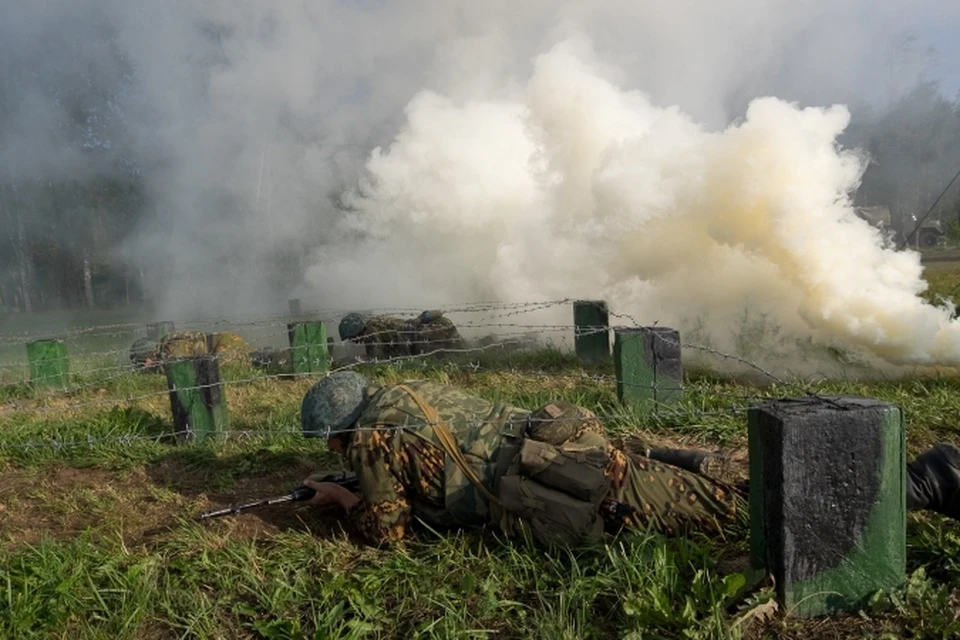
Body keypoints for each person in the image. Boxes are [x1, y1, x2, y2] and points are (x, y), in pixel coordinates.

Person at [298, 371, 960, 548]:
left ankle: (924, 483)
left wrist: (345, 498)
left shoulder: (370, 441)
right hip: (573, 448)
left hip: (575, 484)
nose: (339, 453)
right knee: (700, 470)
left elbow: (386, 532)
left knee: (744, 515)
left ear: (342, 430)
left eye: (334, 443)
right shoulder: (411, 393)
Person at [337, 310, 463, 361]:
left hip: (429, 336)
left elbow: (377, 360)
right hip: (437, 327)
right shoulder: (375, 322)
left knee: (452, 358)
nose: (352, 341)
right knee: (463, 349)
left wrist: (361, 360)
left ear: (356, 331)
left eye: (351, 338)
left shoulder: (371, 332)